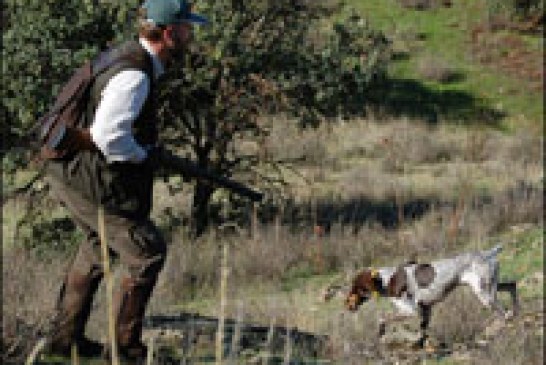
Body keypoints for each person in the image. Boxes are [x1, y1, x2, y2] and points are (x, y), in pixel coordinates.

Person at [43, 0, 207, 361]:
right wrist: (143, 155)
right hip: (84, 175)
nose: (191, 34)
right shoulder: (134, 75)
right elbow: (109, 137)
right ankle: (124, 352)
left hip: (71, 170)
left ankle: (63, 342)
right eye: (186, 28)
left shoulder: (128, 57)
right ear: (168, 33)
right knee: (146, 252)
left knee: (95, 247)